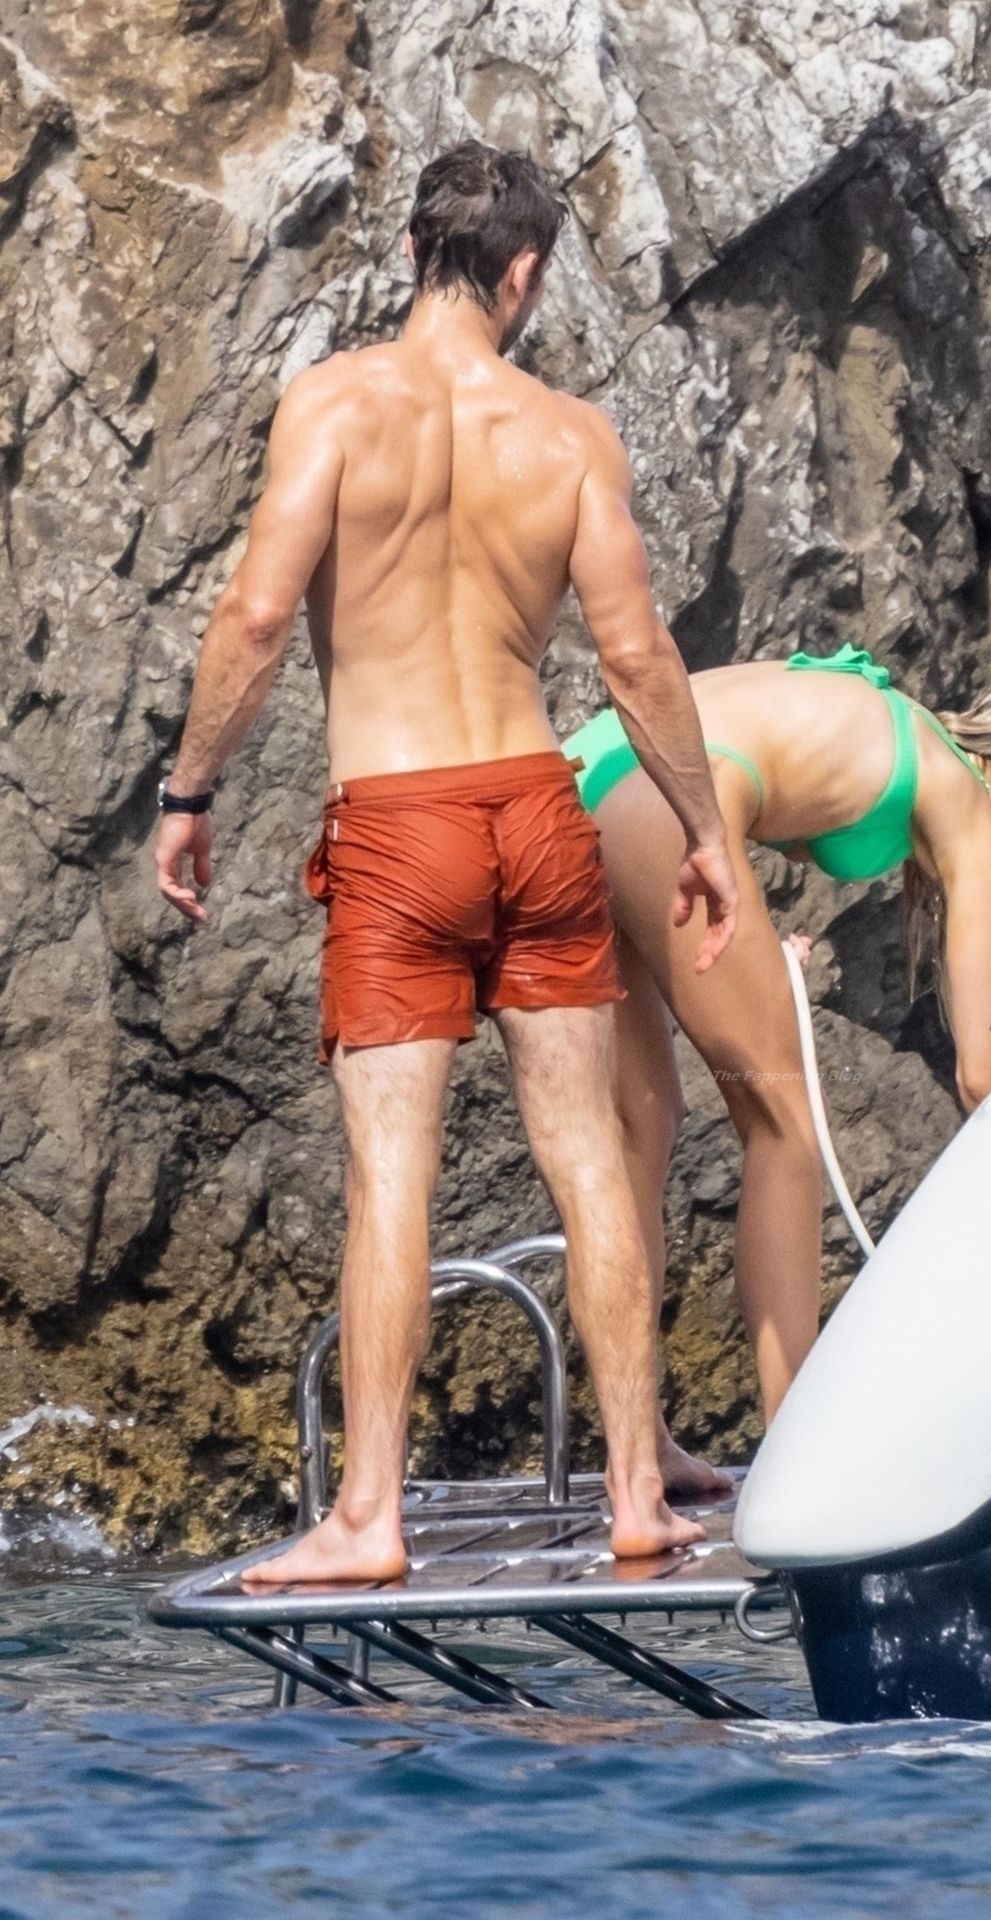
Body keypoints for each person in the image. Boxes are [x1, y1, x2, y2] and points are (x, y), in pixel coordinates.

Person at [152, 140, 742, 1578]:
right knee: (587, 1155)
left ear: (418, 251)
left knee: (392, 1177)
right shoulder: (570, 436)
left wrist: (190, 789)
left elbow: (253, 617)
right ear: (523, 273)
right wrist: (705, 831)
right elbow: (633, 656)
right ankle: (634, 1492)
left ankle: (369, 1516)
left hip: (399, 822)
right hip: (535, 806)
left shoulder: (335, 403)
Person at [562, 646, 991, 1471]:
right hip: (671, 797)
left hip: (577, 781)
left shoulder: (900, 729)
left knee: (640, 1125)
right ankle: (801, 1452)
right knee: (783, 1131)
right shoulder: (961, 805)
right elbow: (983, 1073)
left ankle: (638, 1454)